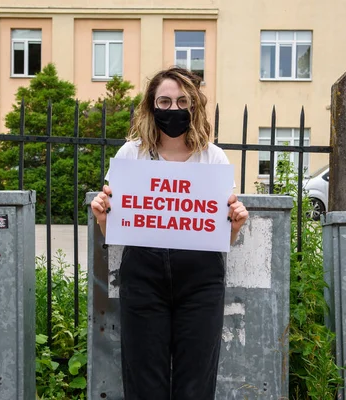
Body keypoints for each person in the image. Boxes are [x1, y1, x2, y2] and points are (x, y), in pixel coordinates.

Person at [90, 66, 249, 400]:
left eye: (182, 101)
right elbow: (115, 227)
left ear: (194, 106)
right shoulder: (131, 153)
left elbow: (222, 237)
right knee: (144, 378)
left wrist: (234, 226)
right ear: (151, 106)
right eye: (164, 101)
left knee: (196, 383)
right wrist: (103, 216)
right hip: (143, 276)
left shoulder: (213, 157)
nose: (173, 109)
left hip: (201, 279)